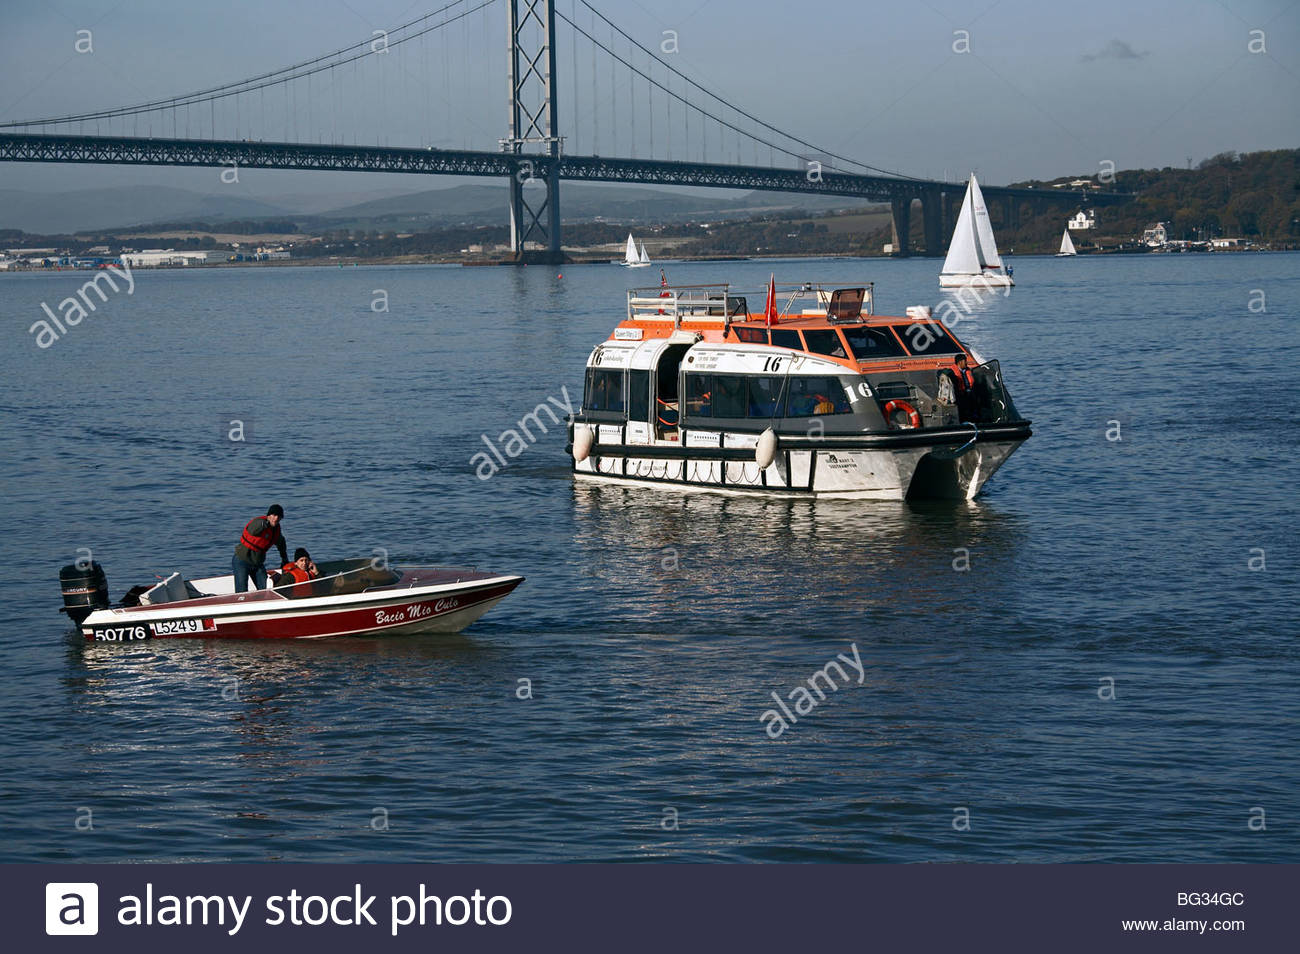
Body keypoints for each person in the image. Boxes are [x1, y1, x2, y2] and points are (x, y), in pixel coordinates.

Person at [232, 504, 288, 593]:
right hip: (242, 561)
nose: (276, 518)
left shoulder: (276, 531)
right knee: (241, 591)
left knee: (266, 590)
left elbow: (281, 543)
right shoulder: (259, 523)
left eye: (279, 516)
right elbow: (253, 529)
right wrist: (265, 524)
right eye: (273, 515)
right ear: (268, 516)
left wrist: (284, 558)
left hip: (257, 563)